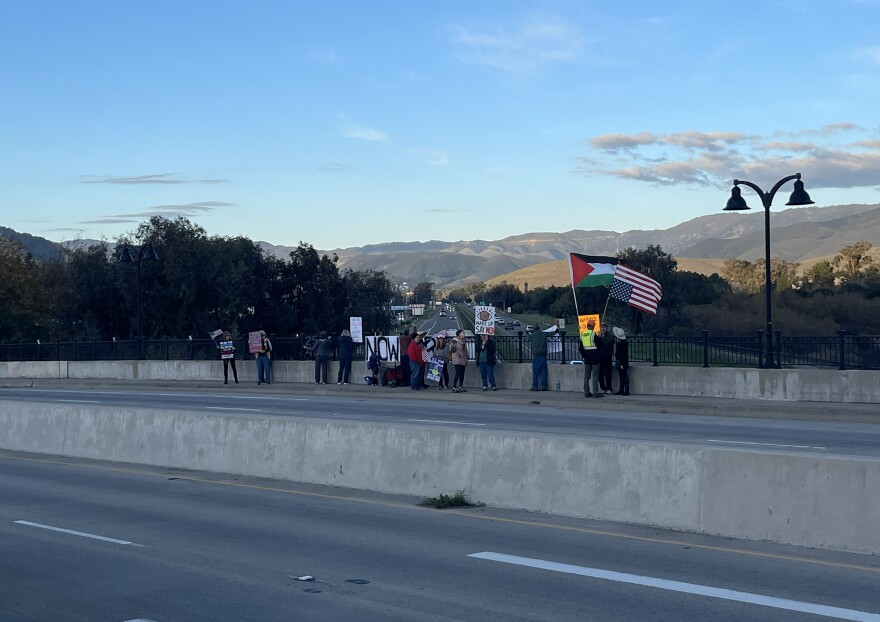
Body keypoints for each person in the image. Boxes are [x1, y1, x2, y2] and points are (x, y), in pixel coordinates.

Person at [578, 320, 602, 398]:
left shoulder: (583, 335)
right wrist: (599, 337)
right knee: (595, 376)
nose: (594, 326)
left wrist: (585, 356)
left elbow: (580, 348)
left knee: (587, 376)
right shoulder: (593, 334)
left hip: (587, 359)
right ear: (592, 326)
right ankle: (595, 393)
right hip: (595, 358)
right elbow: (600, 345)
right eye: (594, 325)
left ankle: (586, 392)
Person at [529, 326, 553, 391]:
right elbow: (551, 333)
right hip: (543, 355)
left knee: (535, 372)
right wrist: (556, 331)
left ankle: (535, 386)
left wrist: (527, 333)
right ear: (539, 328)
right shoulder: (544, 334)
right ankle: (544, 386)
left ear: (534, 329)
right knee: (544, 371)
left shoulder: (533, 335)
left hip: (536, 355)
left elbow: (528, 338)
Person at [597, 326, 615, 395]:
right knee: (600, 373)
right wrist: (598, 338)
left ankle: (609, 388)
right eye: (602, 327)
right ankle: (603, 388)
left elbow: (606, 344)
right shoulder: (598, 336)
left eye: (604, 327)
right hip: (600, 357)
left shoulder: (610, 337)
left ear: (606, 328)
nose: (603, 329)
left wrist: (600, 339)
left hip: (607, 357)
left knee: (608, 373)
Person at [613, 327, 630, 396]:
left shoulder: (622, 343)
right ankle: (622, 389)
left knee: (624, 375)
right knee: (621, 375)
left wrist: (621, 363)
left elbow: (623, 354)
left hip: (621, 361)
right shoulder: (622, 342)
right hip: (620, 361)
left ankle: (626, 390)